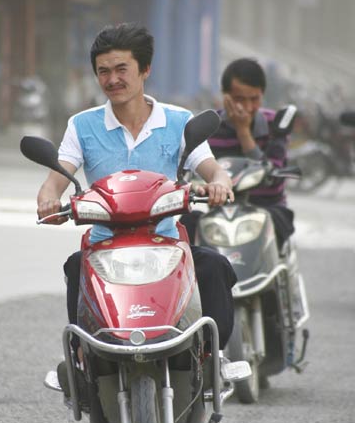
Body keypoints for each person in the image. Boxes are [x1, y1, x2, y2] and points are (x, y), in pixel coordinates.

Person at [36, 23, 237, 397]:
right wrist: (48, 196)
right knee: (75, 266)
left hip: (165, 242)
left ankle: (215, 358)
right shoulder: (82, 125)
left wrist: (220, 183)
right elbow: (58, 176)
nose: (112, 79)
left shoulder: (179, 122)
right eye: (103, 71)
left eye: (121, 69)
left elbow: (211, 167)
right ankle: (82, 365)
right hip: (103, 246)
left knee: (213, 267)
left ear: (145, 70)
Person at [181, 57, 295, 248]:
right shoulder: (209, 126)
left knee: (279, 223)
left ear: (263, 95)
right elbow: (192, 169)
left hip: (267, 208)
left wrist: (244, 132)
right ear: (225, 96)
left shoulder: (273, 124)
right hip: (219, 211)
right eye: (240, 99)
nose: (248, 107)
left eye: (255, 99)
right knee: (186, 224)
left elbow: (274, 179)